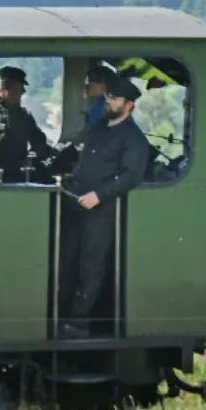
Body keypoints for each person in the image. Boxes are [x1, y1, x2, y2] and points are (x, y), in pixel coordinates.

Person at [58, 75, 151, 337]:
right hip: (76, 203)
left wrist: (99, 195)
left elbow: (131, 176)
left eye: (114, 98)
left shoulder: (133, 139)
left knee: (91, 264)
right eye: (108, 96)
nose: (108, 101)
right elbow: (77, 151)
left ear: (129, 105)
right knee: (68, 259)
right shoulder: (98, 128)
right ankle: (62, 312)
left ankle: (79, 320)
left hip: (102, 210)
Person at [0, 66, 57, 183]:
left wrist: (34, 155)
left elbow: (39, 140)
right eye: (20, 88)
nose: (23, 92)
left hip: (19, 175)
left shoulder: (24, 115)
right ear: (5, 90)